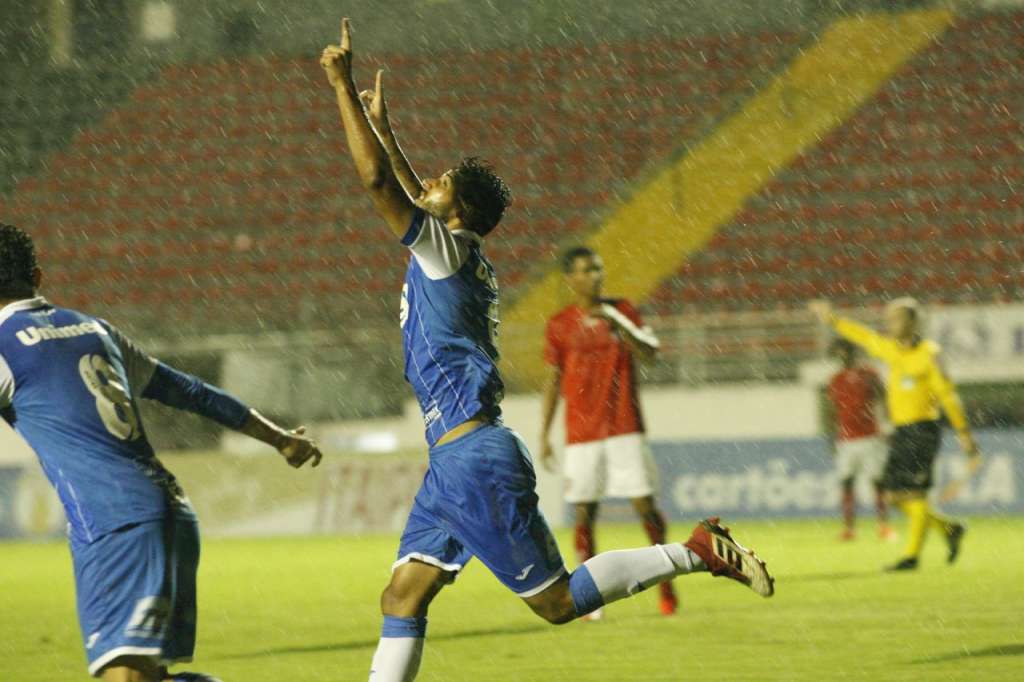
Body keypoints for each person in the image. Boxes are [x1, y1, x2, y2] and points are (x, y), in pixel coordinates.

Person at [321, 19, 773, 682]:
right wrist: (386, 130)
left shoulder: (444, 252)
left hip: (472, 458)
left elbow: (379, 187)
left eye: (442, 183)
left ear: (457, 212)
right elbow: (414, 193)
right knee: (403, 595)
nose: (430, 183)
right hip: (452, 463)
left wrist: (342, 84)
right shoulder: (458, 250)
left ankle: (696, 551)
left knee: (558, 602)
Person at [0, 223, 323, 681]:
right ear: (36, 275)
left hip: (117, 522)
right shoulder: (96, 330)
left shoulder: (4, 347)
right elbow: (188, 390)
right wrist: (280, 438)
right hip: (168, 513)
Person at [540, 246, 677, 617]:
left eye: (598, 268)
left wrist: (619, 321)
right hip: (581, 433)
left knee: (645, 507)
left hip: (623, 426)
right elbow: (553, 381)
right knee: (584, 513)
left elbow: (651, 352)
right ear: (570, 279)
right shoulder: (559, 324)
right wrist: (544, 434)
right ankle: (589, 600)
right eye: (586, 270)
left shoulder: (624, 310)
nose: (595, 276)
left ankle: (667, 586)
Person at [809, 298, 980, 571]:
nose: (889, 324)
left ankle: (911, 557)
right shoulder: (890, 350)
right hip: (902, 431)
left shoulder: (928, 353)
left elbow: (947, 395)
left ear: (913, 322)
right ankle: (949, 528)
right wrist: (832, 320)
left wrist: (964, 433)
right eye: (888, 319)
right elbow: (863, 336)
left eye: (896, 319)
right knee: (893, 496)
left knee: (915, 494)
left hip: (923, 428)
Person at [824, 338, 894, 541]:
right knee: (847, 482)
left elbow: (884, 397)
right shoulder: (835, 379)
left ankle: (883, 526)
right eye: (840, 353)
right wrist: (832, 438)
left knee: (878, 481)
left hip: (871, 436)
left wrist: (889, 425)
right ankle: (849, 529)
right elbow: (832, 411)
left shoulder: (869, 374)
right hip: (846, 440)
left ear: (854, 354)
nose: (843, 356)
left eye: (846, 352)